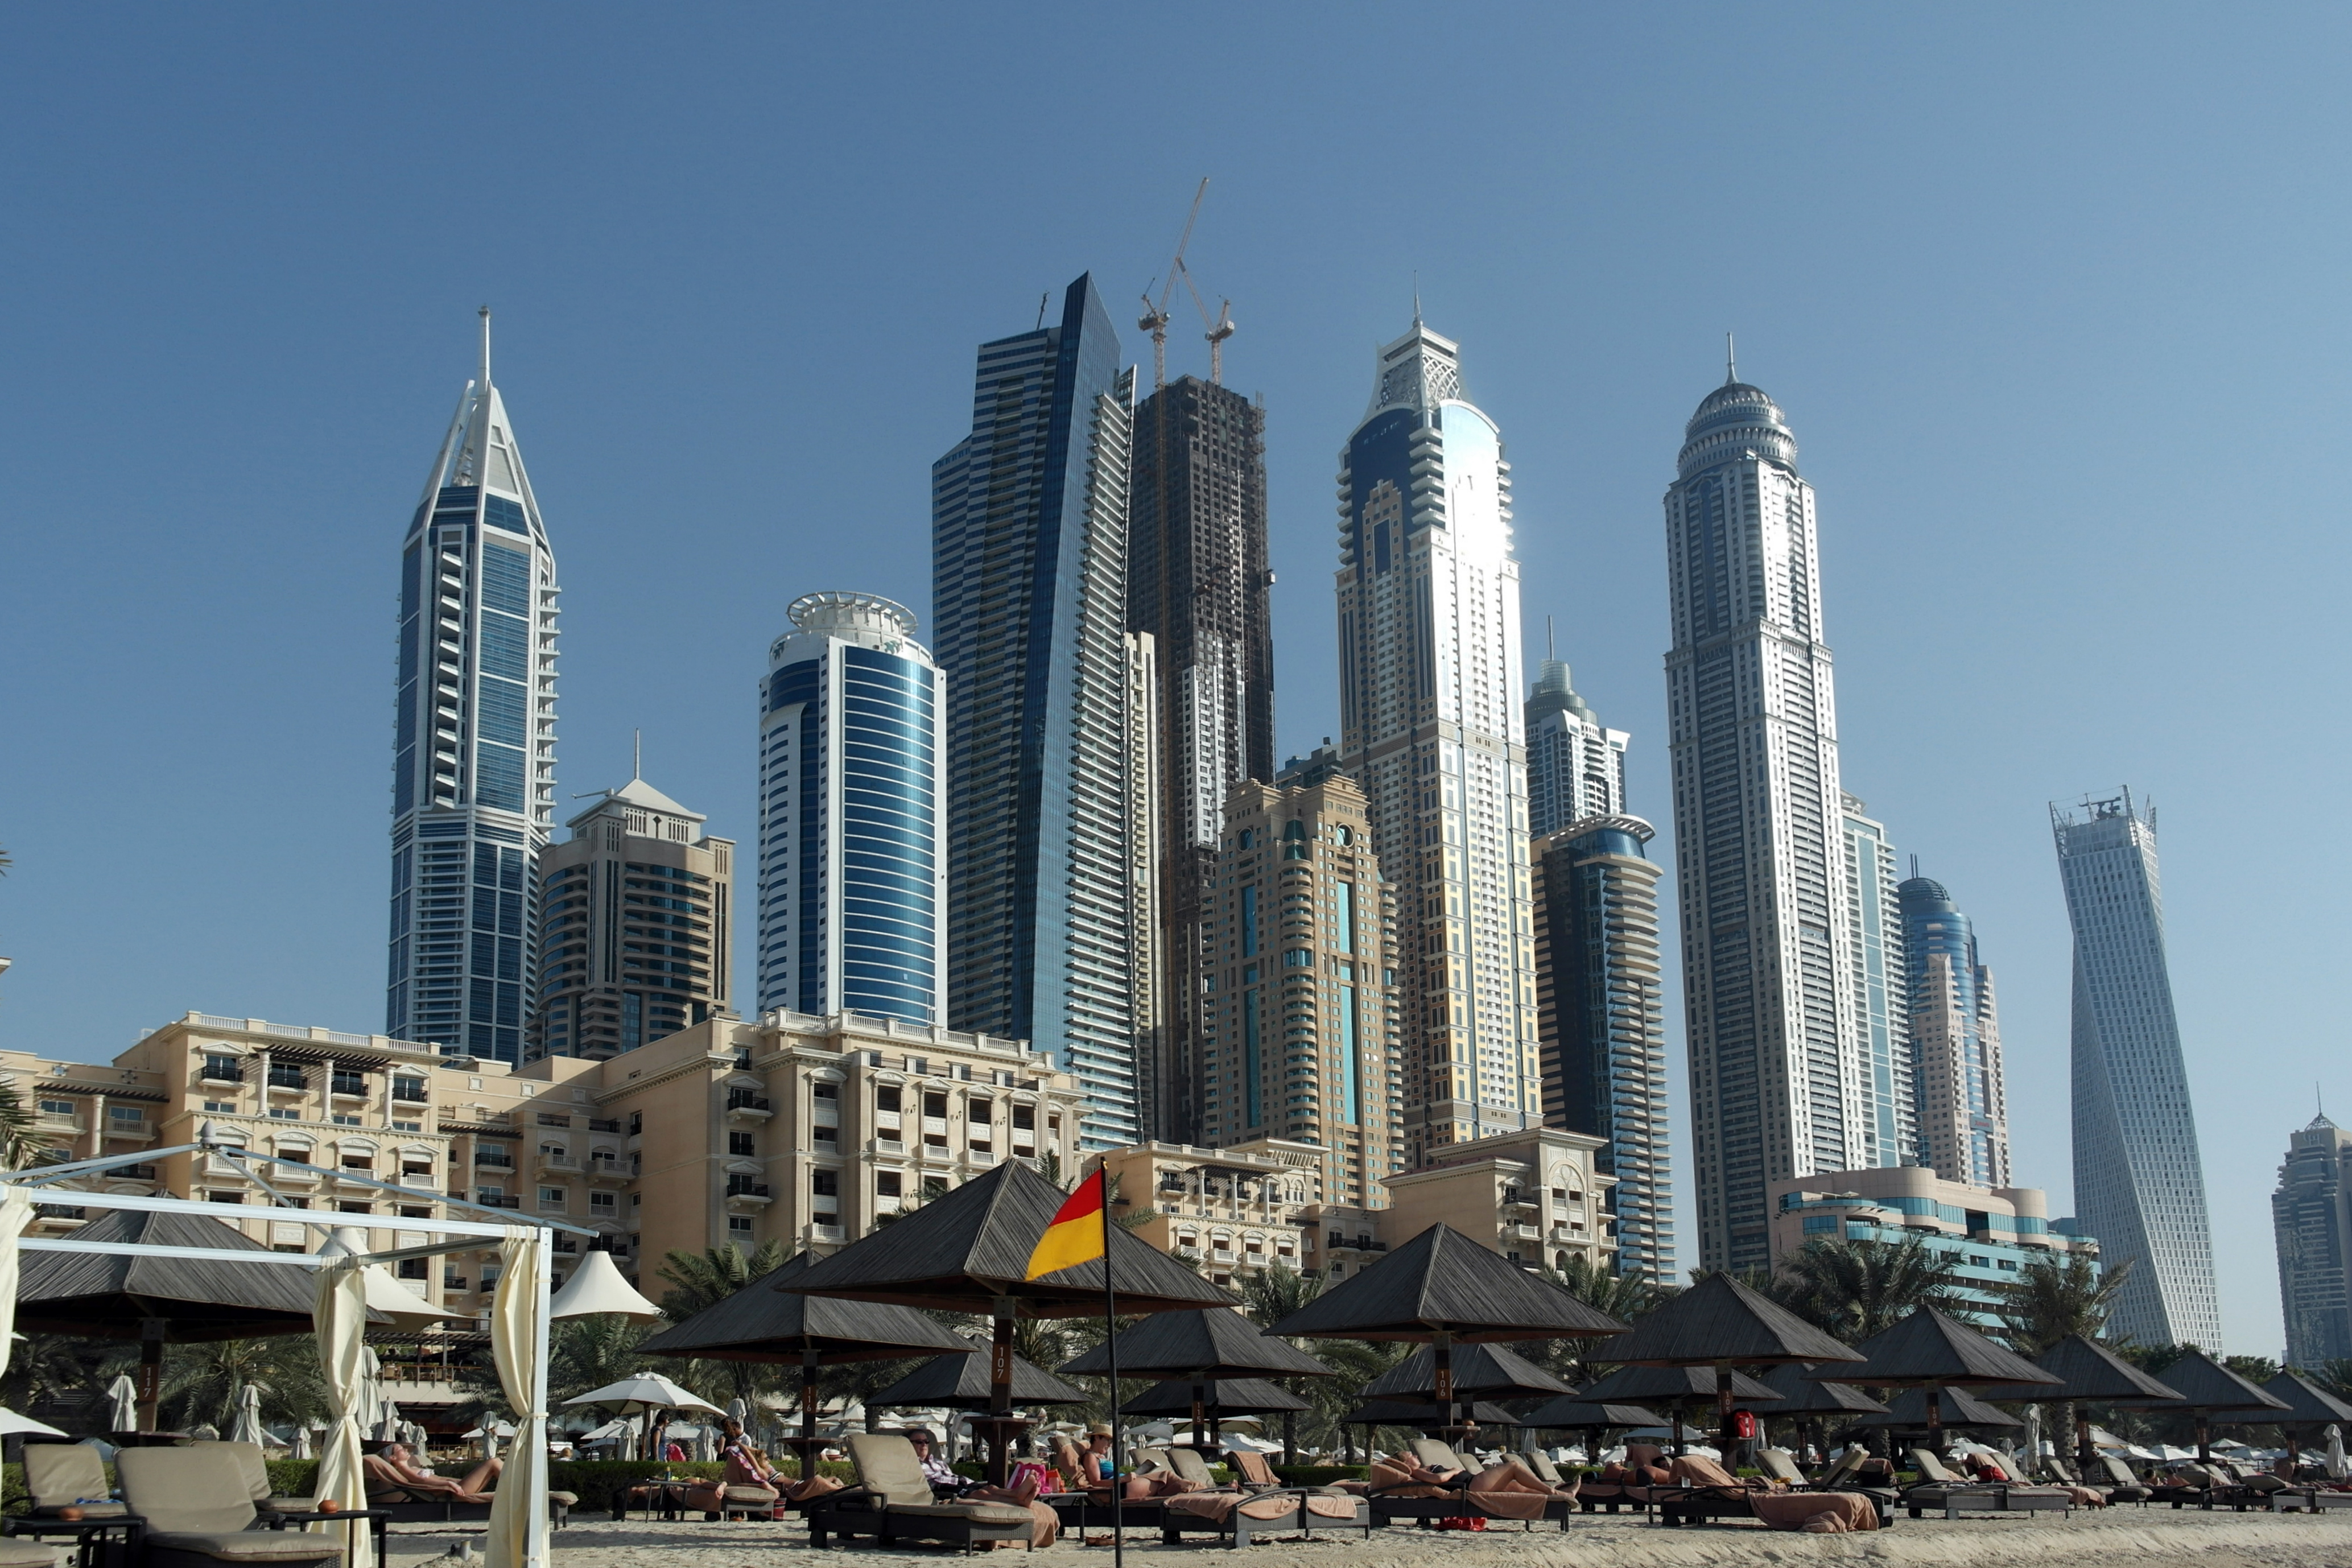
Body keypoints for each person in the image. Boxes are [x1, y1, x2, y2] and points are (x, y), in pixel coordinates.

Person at [364, 1441, 500, 1505]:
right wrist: (451, 1484)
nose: (405, 1449)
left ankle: (518, 1485)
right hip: (456, 1491)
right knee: (493, 1462)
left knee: (494, 1462)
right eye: (400, 1449)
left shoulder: (411, 1468)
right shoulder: (405, 1470)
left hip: (457, 1487)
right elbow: (424, 1482)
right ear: (393, 1458)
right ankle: (520, 1485)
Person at [905, 1428, 964, 1495]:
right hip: (943, 1491)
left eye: (926, 1441)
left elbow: (952, 1476)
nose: (924, 1444)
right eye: (919, 1442)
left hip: (961, 1483)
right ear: (909, 1444)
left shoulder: (939, 1463)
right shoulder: (910, 1465)